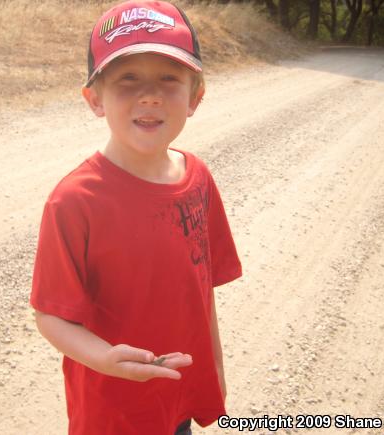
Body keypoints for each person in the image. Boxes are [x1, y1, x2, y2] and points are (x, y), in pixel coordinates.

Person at [30, 1, 242, 434]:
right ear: (95, 99)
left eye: (169, 78)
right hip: (112, 407)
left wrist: (215, 368)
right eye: (128, 79)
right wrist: (103, 358)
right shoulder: (74, 201)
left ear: (195, 97)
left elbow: (202, 292)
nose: (150, 94)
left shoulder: (198, 179)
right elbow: (50, 315)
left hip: (178, 388)